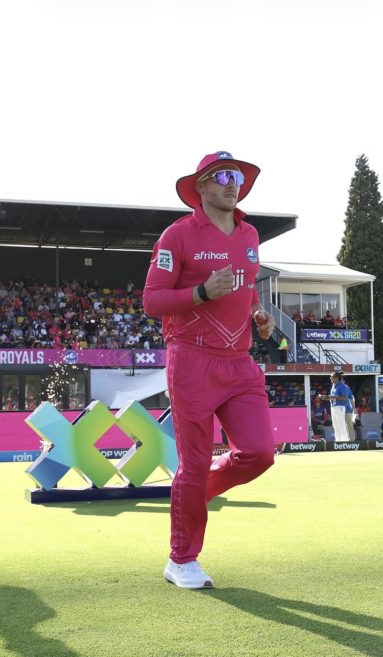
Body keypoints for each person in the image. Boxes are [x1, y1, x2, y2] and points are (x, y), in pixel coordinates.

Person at [142, 151, 276, 589]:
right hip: (192, 359)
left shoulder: (250, 232)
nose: (231, 183)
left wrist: (258, 311)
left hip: (239, 361)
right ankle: (182, 560)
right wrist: (200, 292)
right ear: (200, 186)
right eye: (221, 176)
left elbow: (245, 285)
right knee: (193, 463)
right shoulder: (177, 236)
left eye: (236, 176)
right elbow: (152, 301)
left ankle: (199, 490)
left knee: (259, 453)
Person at [328, 371, 355, 442]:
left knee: (347, 426)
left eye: (332, 377)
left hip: (346, 409)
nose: (330, 378)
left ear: (337, 378)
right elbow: (333, 397)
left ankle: (350, 442)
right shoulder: (333, 386)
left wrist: (354, 409)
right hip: (335, 407)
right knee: (336, 425)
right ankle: (338, 441)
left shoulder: (344, 387)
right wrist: (326, 397)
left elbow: (349, 398)